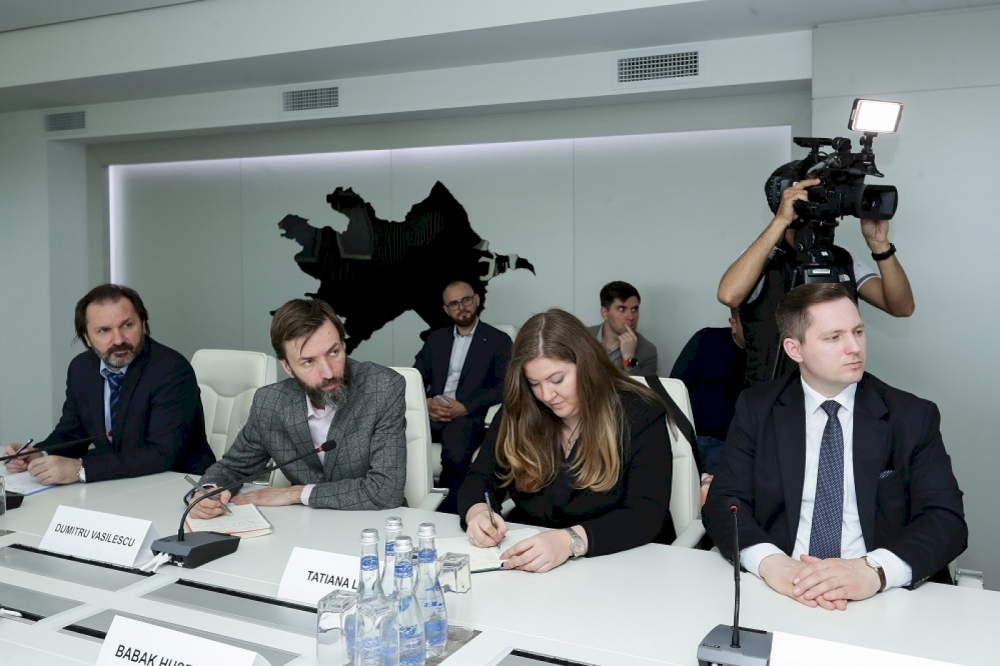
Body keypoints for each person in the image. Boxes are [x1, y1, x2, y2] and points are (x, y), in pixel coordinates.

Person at [704, 283, 966, 610]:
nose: (854, 347)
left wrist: (874, 570)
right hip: (783, 590)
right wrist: (772, 563)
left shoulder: (911, 416)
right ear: (794, 349)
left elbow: (945, 518)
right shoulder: (757, 408)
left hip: (881, 598)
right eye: (833, 337)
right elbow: (725, 502)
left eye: (858, 332)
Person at [458, 308, 675, 573]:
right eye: (534, 383)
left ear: (587, 366)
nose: (547, 395)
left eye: (557, 379)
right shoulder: (521, 412)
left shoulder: (640, 413)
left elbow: (645, 515)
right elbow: (478, 481)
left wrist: (569, 541)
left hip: (625, 565)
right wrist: (478, 514)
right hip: (537, 570)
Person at [187, 298, 406, 517]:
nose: (328, 372)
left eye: (333, 352)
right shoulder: (271, 403)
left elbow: (386, 491)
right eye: (308, 362)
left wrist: (296, 493)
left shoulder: (381, 387)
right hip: (304, 525)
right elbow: (233, 468)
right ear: (288, 367)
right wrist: (208, 491)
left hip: (374, 522)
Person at [3, 284, 215, 484]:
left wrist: (81, 469)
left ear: (143, 324)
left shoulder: (171, 369)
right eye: (104, 330)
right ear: (87, 338)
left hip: (178, 484)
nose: (119, 339)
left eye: (127, 325)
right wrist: (37, 454)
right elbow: (72, 433)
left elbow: (161, 454)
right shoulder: (82, 369)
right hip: (116, 484)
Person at [717, 178, 915, 386]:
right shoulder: (764, 259)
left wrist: (880, 245)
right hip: (771, 393)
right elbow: (728, 295)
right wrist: (781, 220)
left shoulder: (842, 259)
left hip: (834, 392)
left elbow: (902, 307)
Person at [413, 279, 511, 512]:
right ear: (446, 309)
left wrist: (465, 406)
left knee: (455, 449)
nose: (461, 307)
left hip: (469, 415)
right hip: (433, 413)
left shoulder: (498, 340)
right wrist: (426, 403)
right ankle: (409, 504)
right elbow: (416, 377)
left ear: (476, 300)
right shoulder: (436, 339)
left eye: (465, 300)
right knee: (395, 430)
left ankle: (451, 511)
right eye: (454, 304)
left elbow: (506, 386)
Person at [669, 308, 747, 476]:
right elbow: (675, 385)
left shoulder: (766, 357)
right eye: (747, 322)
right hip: (691, 436)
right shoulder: (707, 340)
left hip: (731, 444)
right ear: (733, 324)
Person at [589, 281, 658, 376]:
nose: (631, 317)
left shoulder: (647, 351)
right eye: (622, 309)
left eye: (634, 309)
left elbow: (640, 386)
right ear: (604, 313)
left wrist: (629, 358)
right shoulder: (581, 336)